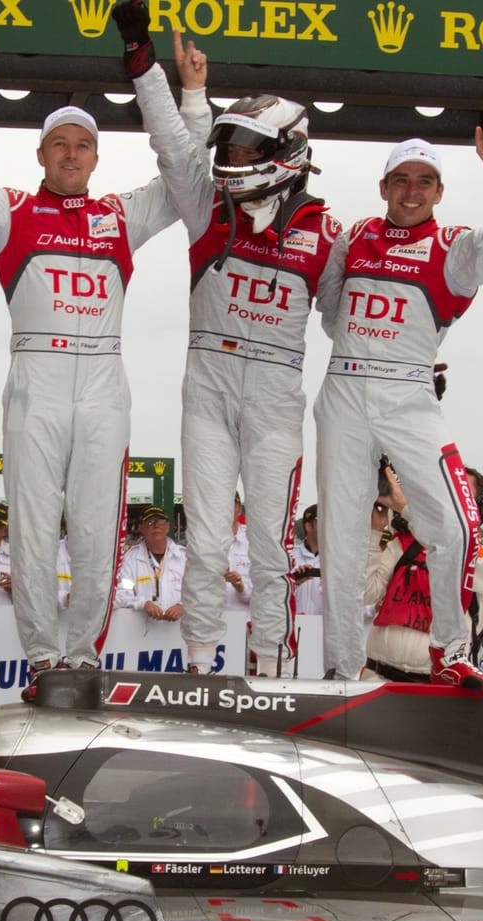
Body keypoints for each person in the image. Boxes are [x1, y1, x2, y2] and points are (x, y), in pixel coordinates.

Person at [0, 45, 181, 674]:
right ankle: (41, 657)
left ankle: (84, 659)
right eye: (58, 144)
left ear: (95, 156)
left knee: (95, 528)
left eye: (81, 145)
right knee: (33, 527)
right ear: (41, 155)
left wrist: (174, 94)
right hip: (38, 378)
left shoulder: (121, 215)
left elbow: (186, 176)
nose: (70, 154)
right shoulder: (12, 210)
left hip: (104, 384)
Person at [123, 13, 337, 676]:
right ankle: (198, 665)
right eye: (232, 146)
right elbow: (170, 141)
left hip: (276, 397)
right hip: (208, 389)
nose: (233, 159)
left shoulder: (326, 233)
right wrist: (142, 58)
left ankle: (272, 665)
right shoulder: (208, 206)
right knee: (210, 542)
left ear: (286, 152)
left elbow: (348, 319)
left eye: (247, 148)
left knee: (271, 548)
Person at [313, 127, 483, 690]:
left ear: (438, 192)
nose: (412, 191)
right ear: (384, 186)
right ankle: (340, 666)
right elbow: (331, 313)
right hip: (344, 388)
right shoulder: (355, 234)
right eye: (402, 180)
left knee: (456, 525)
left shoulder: (452, 246)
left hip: (410, 393)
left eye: (425, 182)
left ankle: (453, 650)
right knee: (340, 533)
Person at [366, 501, 434, 680]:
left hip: (430, 679)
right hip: (379, 673)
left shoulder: (475, 556)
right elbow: (367, 593)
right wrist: (375, 532)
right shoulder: (398, 545)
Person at [115, 505, 188, 626]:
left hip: (180, 633)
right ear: (141, 528)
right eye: (150, 522)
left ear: (168, 526)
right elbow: (120, 593)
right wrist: (143, 604)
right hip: (140, 633)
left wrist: (183, 605)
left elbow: (198, 591)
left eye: (160, 521)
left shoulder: (184, 557)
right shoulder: (129, 559)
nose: (156, 525)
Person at [290, 503, 323, 616]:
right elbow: (276, 593)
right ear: (308, 526)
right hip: (294, 626)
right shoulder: (290, 556)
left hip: (323, 628)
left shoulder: (335, 560)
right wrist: (296, 581)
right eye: (322, 519)